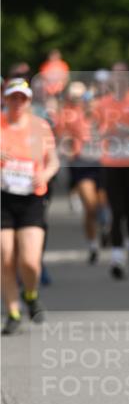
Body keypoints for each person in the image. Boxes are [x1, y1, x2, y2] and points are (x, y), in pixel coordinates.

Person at [1, 79, 59, 334]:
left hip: (32, 198)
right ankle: (13, 311)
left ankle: (31, 293)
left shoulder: (40, 127)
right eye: (12, 97)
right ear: (5, 99)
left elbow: (53, 161)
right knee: (6, 256)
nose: (17, 102)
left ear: (28, 100)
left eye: (21, 98)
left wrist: (45, 175)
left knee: (30, 262)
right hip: (3, 197)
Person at [95, 62, 129, 278]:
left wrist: (126, 129)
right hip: (111, 163)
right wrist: (104, 134)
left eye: (123, 76)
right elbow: (94, 130)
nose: (119, 80)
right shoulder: (103, 103)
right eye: (116, 76)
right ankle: (117, 256)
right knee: (116, 211)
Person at [55, 80, 104, 263]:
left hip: (105, 165)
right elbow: (62, 138)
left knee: (103, 206)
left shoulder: (106, 116)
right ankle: (93, 245)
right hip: (82, 164)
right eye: (86, 98)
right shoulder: (72, 117)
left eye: (93, 98)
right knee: (90, 207)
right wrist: (69, 148)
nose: (90, 101)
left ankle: (105, 227)